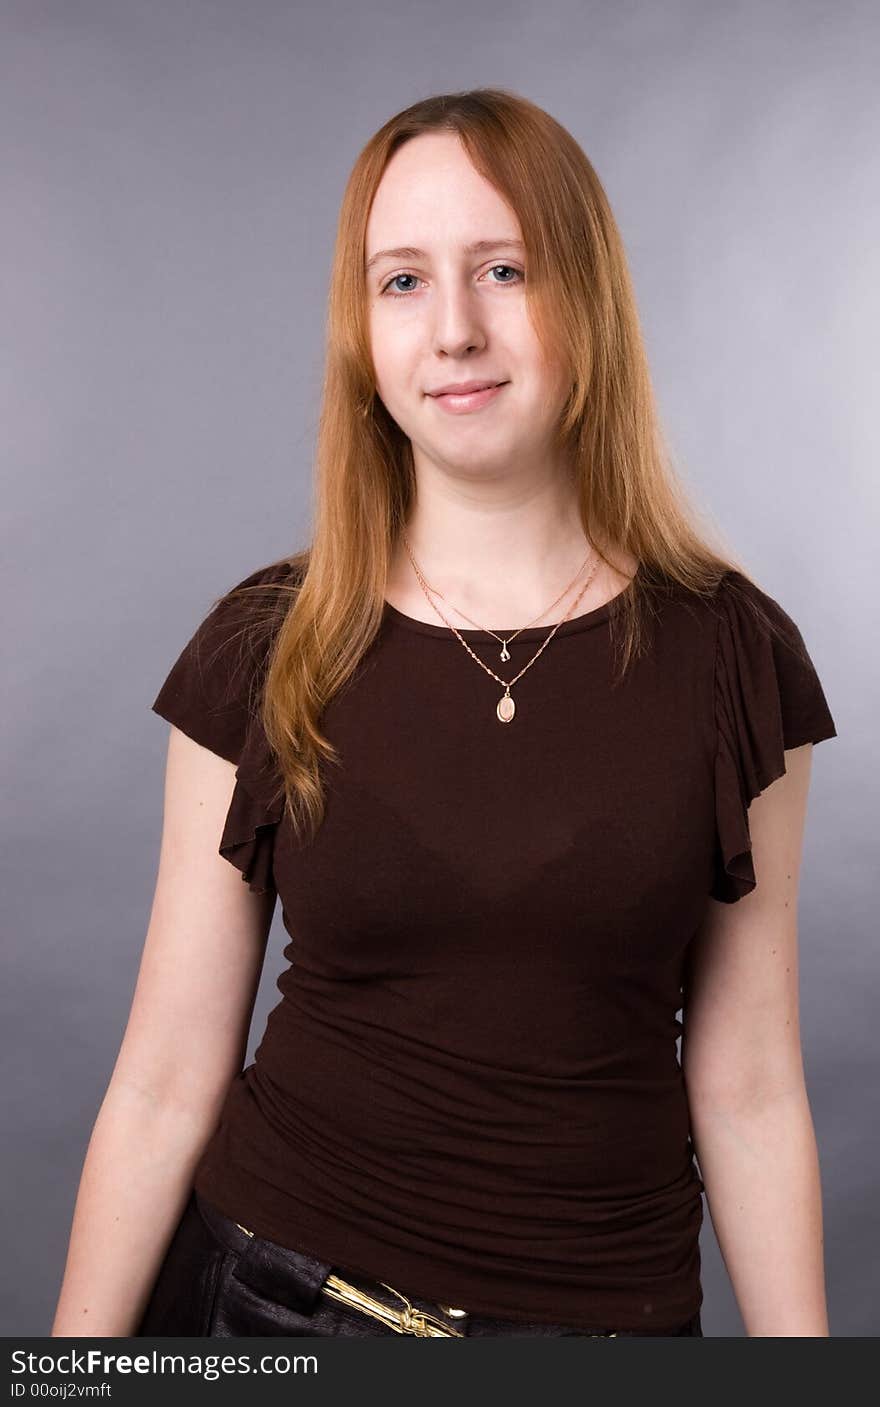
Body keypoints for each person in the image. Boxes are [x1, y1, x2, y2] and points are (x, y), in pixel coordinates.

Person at [51, 88, 837, 1340]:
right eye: (402, 282)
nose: (455, 330)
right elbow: (159, 1081)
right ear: (361, 332)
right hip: (268, 1308)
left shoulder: (734, 659)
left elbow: (746, 1088)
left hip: (606, 1326)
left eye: (504, 270)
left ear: (587, 299)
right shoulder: (267, 646)